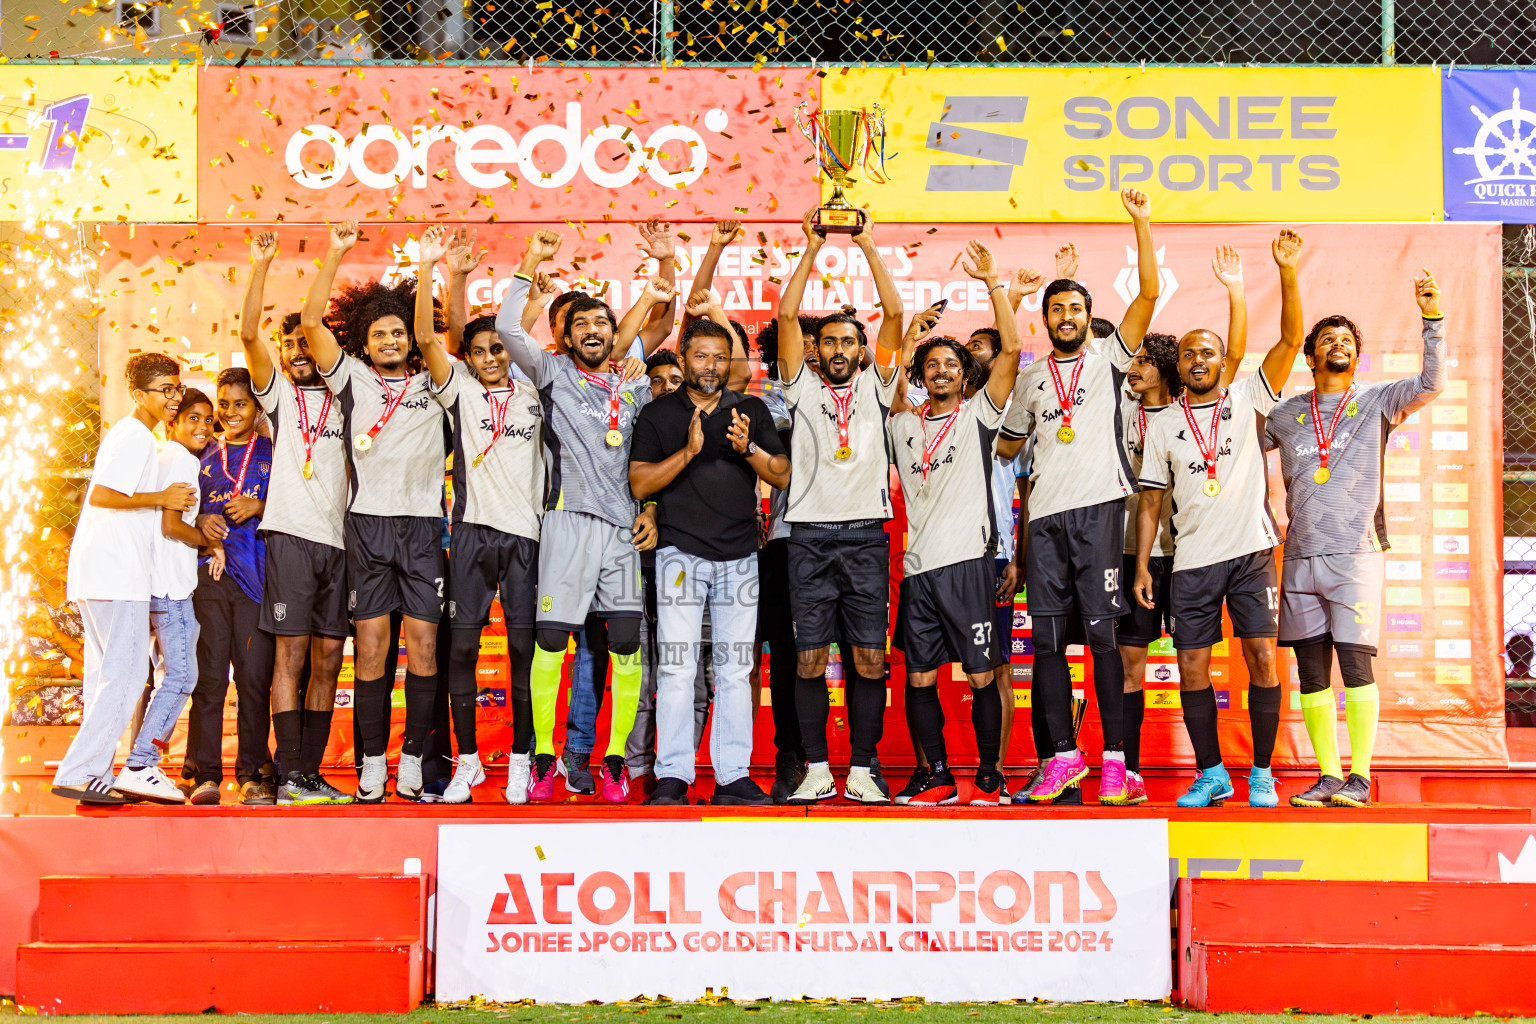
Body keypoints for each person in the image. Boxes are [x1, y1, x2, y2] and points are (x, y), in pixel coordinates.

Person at [993, 188, 1161, 805]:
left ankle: (1116, 762)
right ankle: (1064, 756)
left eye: (1075, 308)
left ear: (1089, 319)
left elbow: (1145, 295)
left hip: (1098, 514)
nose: (1066, 316)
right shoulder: (1032, 380)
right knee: (1043, 643)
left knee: (1103, 640)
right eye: (1056, 308)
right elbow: (1009, 448)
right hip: (1044, 523)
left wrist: (1140, 222)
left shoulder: (1112, 360)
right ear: (1045, 319)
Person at [1133, 230, 1307, 808]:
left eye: (1209, 351)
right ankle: (1211, 773)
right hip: (1190, 562)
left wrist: (1281, 271)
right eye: (1189, 353)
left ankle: (1261, 771)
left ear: (1221, 361)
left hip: (1252, 552)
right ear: (1176, 365)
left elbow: (1288, 339)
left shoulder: (1246, 398)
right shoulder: (1160, 424)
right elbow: (1152, 502)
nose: (1200, 359)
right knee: (1191, 667)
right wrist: (1140, 567)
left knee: (1260, 658)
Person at [1268, 269, 1446, 808]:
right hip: (1299, 557)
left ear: (1356, 356)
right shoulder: (1286, 414)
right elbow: (1235, 447)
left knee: (1355, 663)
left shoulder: (1377, 401)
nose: (1337, 345)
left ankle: (1360, 778)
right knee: (1312, 670)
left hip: (1356, 554)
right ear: (1311, 356)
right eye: (1328, 340)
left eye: (1347, 341)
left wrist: (1432, 319)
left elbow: (1432, 383)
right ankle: (1327, 777)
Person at [497, 228, 663, 804]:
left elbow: (649, 456)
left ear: (615, 335)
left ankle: (613, 761)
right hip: (566, 524)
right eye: (581, 325)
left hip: (622, 531)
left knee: (625, 646)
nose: (592, 332)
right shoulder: (550, 374)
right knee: (550, 643)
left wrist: (651, 508)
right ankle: (546, 759)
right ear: (564, 336)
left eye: (602, 324)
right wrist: (531, 261)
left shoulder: (635, 386)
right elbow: (504, 329)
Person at [302, 219, 448, 803]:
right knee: (371, 651)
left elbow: (439, 333)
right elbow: (312, 322)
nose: (390, 341)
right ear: (363, 342)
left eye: (398, 332)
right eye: (379, 334)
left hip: (420, 527)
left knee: (426, 647)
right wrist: (336, 249)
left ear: (410, 339)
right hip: (367, 527)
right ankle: (370, 765)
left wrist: (430, 265)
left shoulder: (436, 381)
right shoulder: (352, 378)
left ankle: (411, 761)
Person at [774, 206, 907, 805]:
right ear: (814, 348)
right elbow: (783, 313)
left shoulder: (878, 387)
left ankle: (862, 767)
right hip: (807, 536)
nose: (837, 349)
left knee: (869, 658)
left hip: (864, 537)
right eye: (827, 341)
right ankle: (816, 769)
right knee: (808, 659)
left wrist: (869, 246)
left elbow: (897, 313)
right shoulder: (799, 384)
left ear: (860, 350)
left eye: (848, 341)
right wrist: (809, 248)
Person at [630, 318, 791, 805]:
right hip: (679, 553)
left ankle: (732, 775)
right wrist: (689, 451)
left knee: (735, 670)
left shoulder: (750, 409)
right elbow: (640, 483)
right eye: (701, 356)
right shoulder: (659, 414)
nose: (711, 367)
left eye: (720, 358)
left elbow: (781, 474)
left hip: (741, 556)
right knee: (677, 669)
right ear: (683, 359)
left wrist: (748, 449)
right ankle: (674, 775)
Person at [413, 226, 546, 804]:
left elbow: (521, 331)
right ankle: (467, 763)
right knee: (461, 651)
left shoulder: (538, 390)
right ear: (467, 360)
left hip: (526, 539)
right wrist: (435, 271)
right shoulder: (460, 389)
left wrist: (532, 286)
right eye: (480, 351)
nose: (491, 358)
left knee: (522, 655)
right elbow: (427, 336)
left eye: (499, 349)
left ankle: (521, 762)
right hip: (468, 537)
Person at [888, 243, 1024, 806]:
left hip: (969, 564)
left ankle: (988, 775)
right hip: (918, 571)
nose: (941, 370)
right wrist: (906, 338)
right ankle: (935, 774)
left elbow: (1011, 350)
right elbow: (885, 380)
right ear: (921, 375)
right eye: (931, 365)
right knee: (918, 678)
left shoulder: (979, 418)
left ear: (964, 374)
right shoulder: (900, 425)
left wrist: (995, 283)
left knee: (982, 675)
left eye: (951, 364)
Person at [1115, 246, 1249, 805]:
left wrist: (1235, 287)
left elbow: (1235, 358)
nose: (1132, 367)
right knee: (1130, 664)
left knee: (1193, 662)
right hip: (1132, 553)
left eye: (1144, 360)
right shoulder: (1114, 408)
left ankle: (1208, 771)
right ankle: (1127, 773)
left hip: (1192, 552)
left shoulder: (1195, 412)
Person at [237, 232, 354, 806]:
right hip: (290, 537)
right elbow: (246, 336)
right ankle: (285, 773)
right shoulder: (279, 394)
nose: (298, 349)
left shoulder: (350, 388)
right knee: (291, 654)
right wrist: (260, 263)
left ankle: (308, 774)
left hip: (343, 542)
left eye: (305, 340)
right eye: (290, 343)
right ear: (283, 353)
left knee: (329, 658)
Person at [51, 353, 196, 804]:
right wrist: (163, 496)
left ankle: (92, 773)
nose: (173, 398)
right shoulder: (134, 435)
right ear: (139, 395)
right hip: (116, 574)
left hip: (103, 573)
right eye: (165, 390)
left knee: (105, 678)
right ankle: (78, 770)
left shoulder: (135, 436)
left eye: (176, 388)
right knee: (129, 673)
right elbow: (102, 495)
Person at [114, 388, 221, 803]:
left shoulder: (170, 458)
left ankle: (142, 764)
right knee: (181, 676)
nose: (201, 426)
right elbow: (171, 526)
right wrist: (208, 544)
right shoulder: (179, 459)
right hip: (170, 588)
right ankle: (141, 763)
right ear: (173, 422)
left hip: (166, 585)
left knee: (169, 675)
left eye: (206, 420)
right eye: (191, 418)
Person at [188, 367, 276, 805]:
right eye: (223, 404)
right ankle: (205, 774)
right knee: (209, 678)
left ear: (258, 407)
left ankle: (252, 773)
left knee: (254, 679)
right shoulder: (201, 452)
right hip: (210, 576)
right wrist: (202, 522)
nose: (229, 412)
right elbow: (181, 511)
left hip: (257, 580)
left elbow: (300, 501)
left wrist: (260, 502)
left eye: (240, 404)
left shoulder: (272, 451)